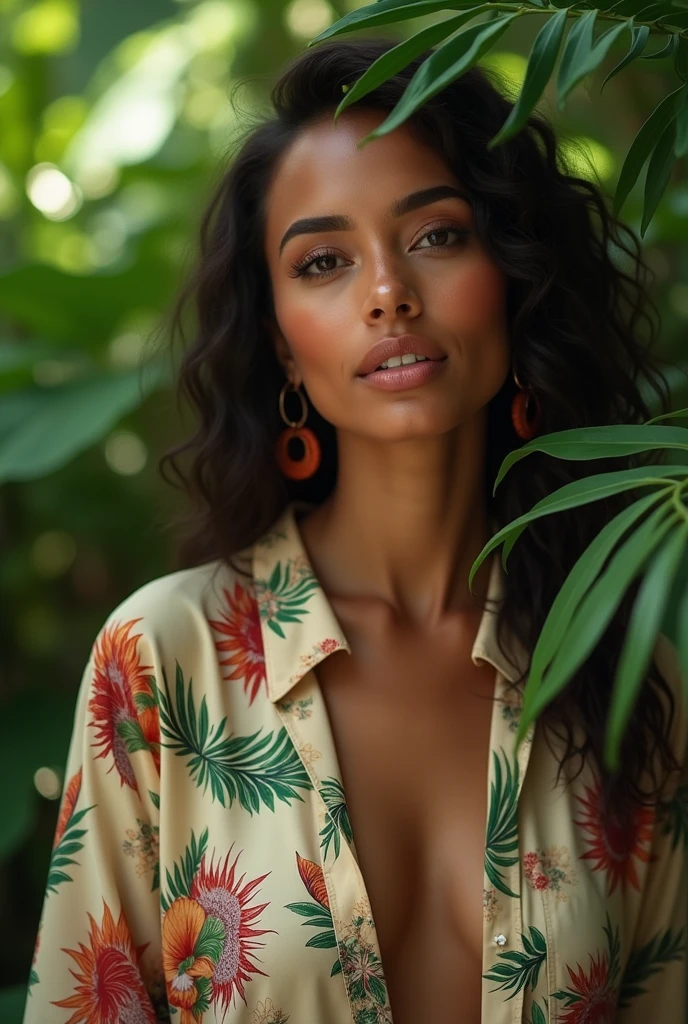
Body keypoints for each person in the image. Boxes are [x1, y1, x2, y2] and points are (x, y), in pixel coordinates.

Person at [24, 35, 688, 1024]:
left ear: (513, 276)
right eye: (324, 260)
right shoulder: (164, 661)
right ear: (280, 342)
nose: (388, 291)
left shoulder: (628, 677)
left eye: (435, 235)